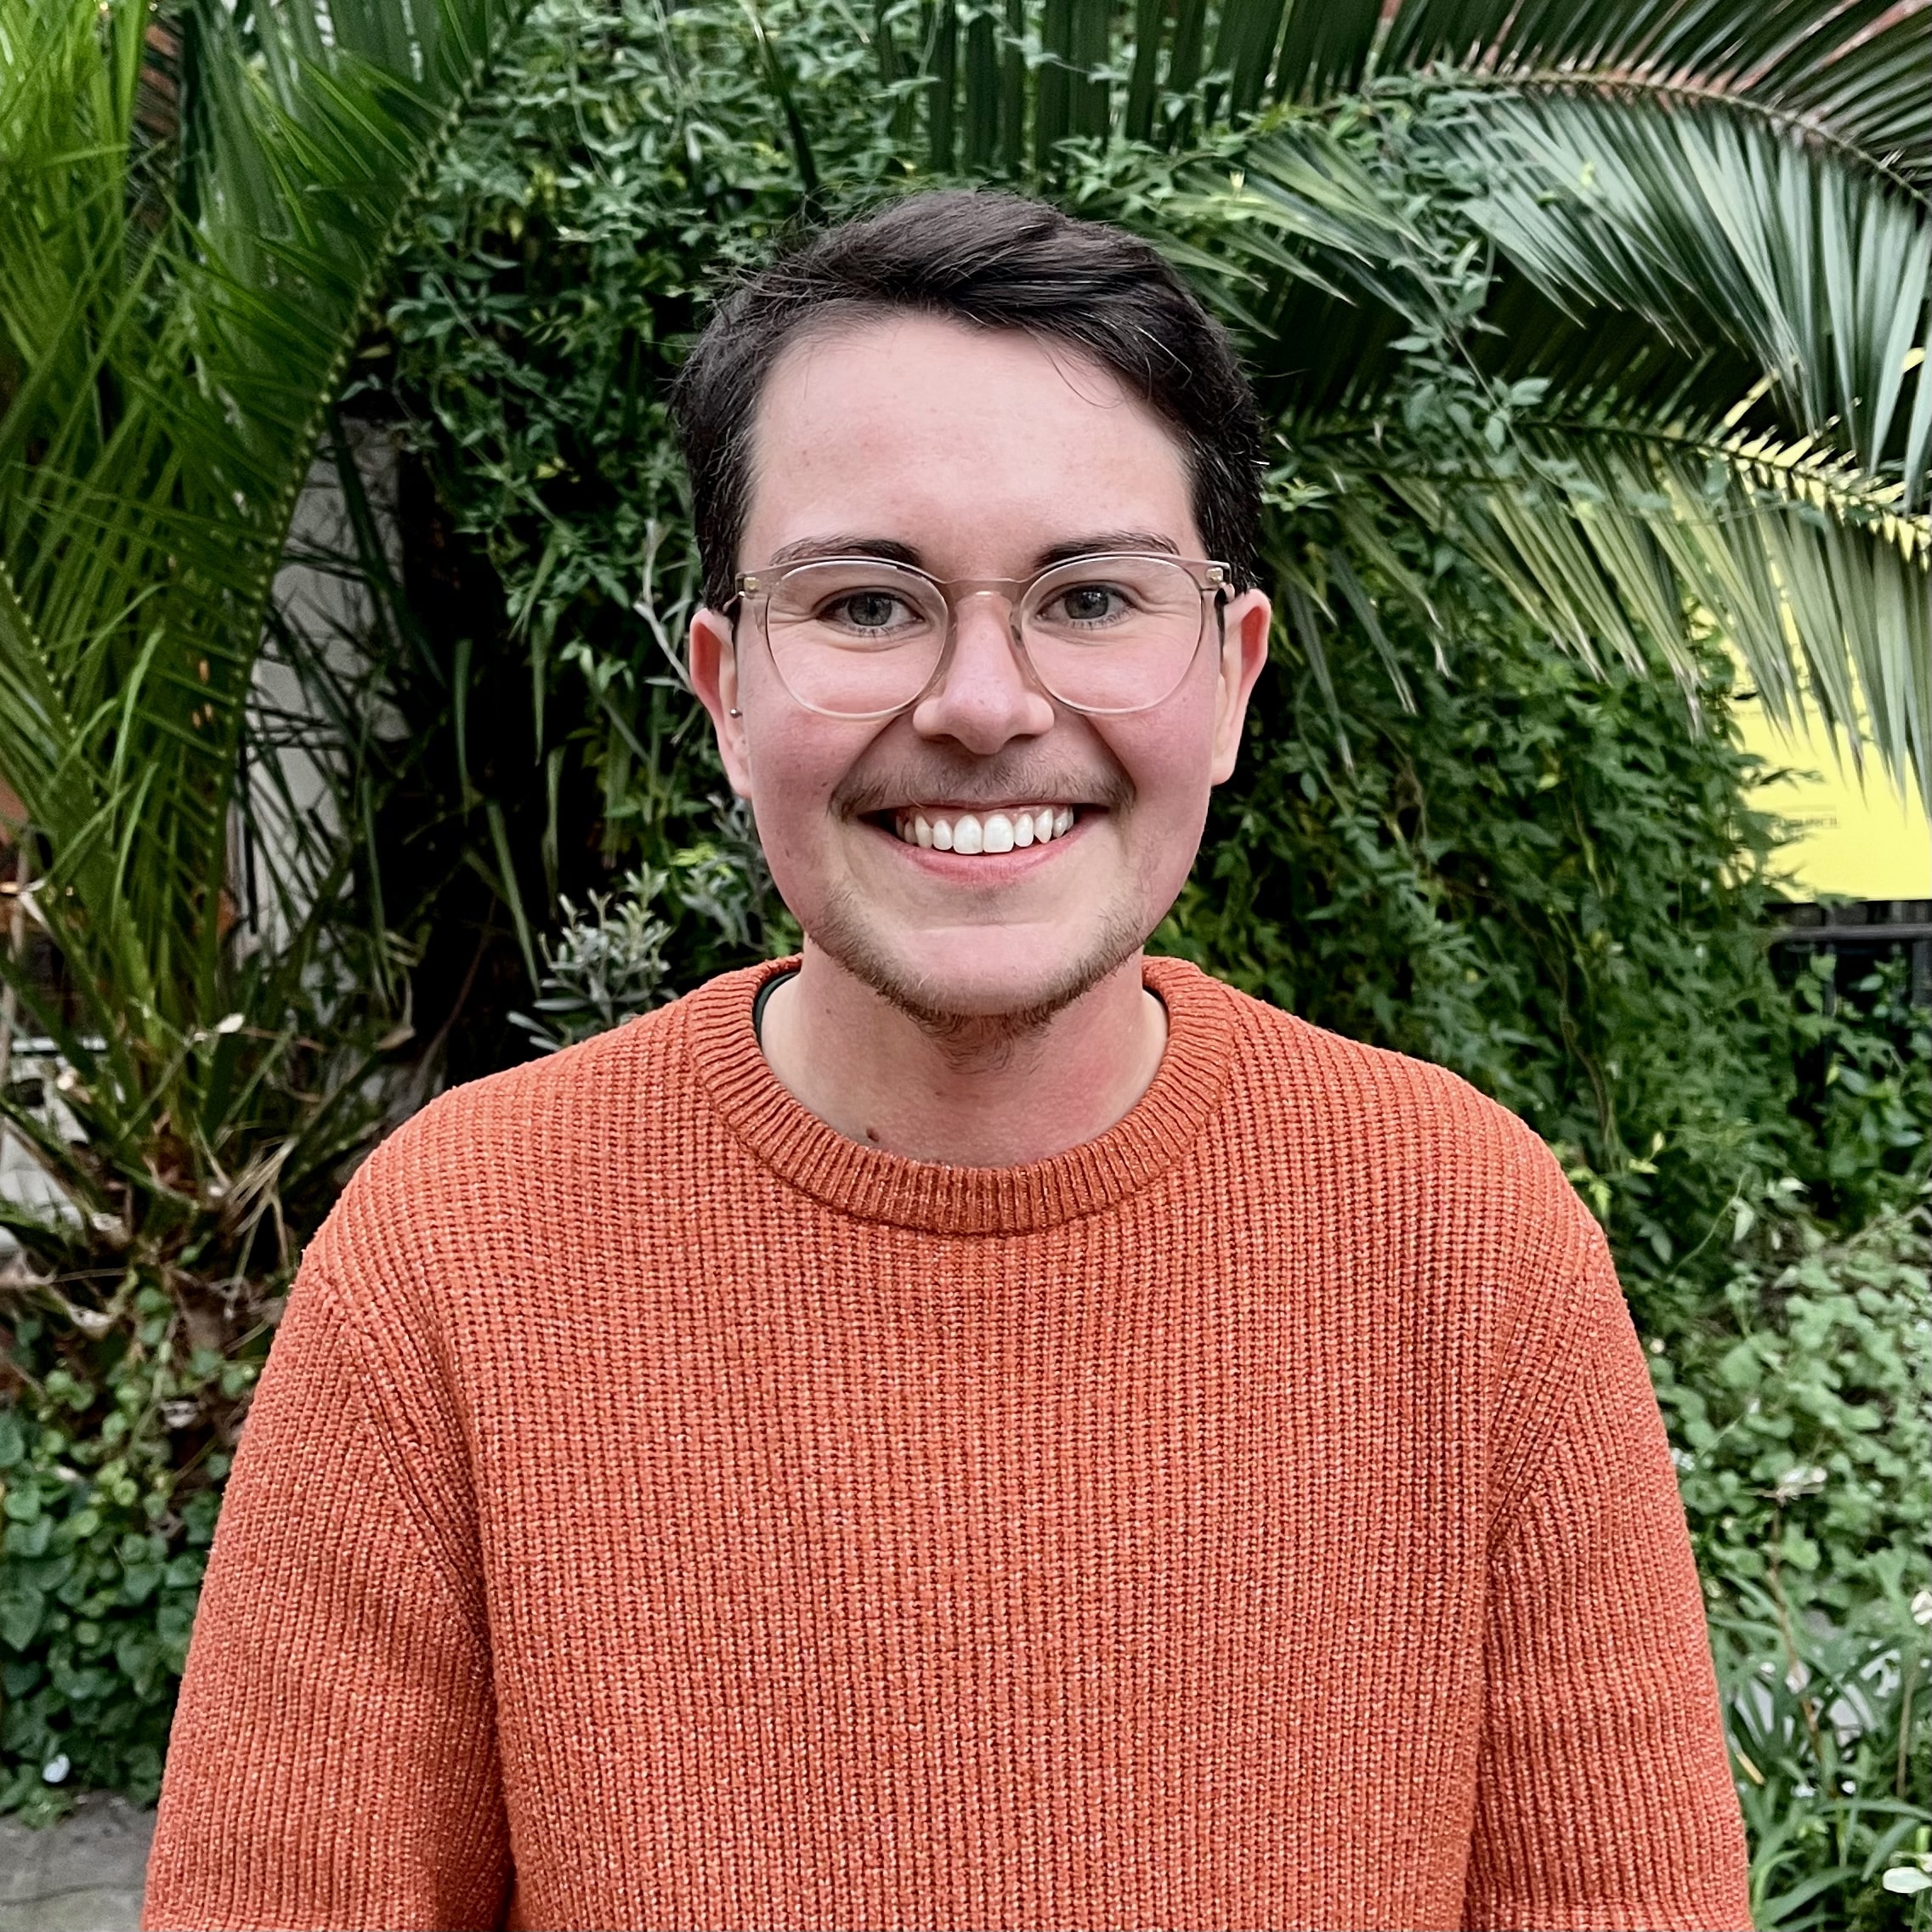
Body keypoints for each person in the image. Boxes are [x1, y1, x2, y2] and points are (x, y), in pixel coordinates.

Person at [144, 191, 1751, 1932]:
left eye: (1091, 595)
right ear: (726, 686)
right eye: (863, 602)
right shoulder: (456, 1258)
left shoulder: (1466, 1241)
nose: (983, 700)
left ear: (1229, 674)